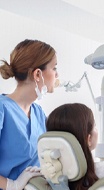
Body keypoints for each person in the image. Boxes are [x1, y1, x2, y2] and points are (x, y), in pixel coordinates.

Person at [0, 39, 58, 190]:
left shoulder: (38, 113)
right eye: (54, 68)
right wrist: (11, 185)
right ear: (38, 74)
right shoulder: (2, 109)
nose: (57, 74)